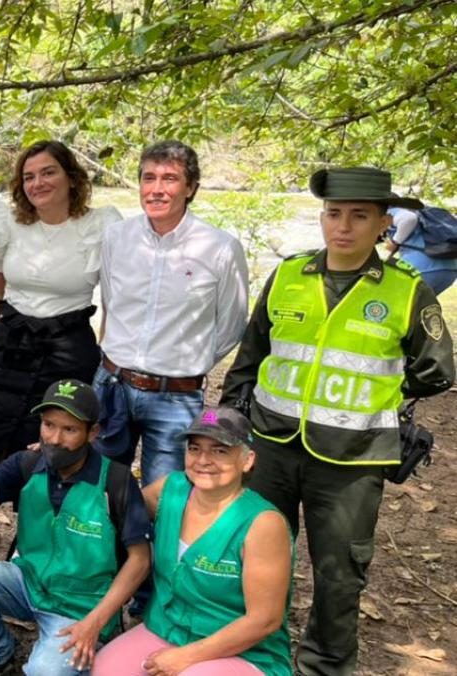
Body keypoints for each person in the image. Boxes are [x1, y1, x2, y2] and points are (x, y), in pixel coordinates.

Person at [220, 167, 455, 675]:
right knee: (257, 555)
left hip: (353, 457)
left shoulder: (405, 291)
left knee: (339, 572)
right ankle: (256, 655)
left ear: (382, 224)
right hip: (272, 445)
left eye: (358, 216)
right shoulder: (287, 275)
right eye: (333, 214)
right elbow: (251, 355)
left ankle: (323, 666)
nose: (342, 227)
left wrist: (383, 396)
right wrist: (230, 423)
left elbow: (436, 371)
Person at [0, 379, 151, 676]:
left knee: (44, 671)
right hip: (29, 583)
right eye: (49, 424)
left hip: (81, 606)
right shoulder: (27, 464)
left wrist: (95, 622)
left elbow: (140, 560)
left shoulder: (115, 481)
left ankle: (88, 647)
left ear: (93, 433)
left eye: (69, 429)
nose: (54, 438)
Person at [94, 407, 293, 676]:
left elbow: (264, 620)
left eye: (220, 450)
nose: (203, 460)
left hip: (244, 650)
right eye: (195, 448)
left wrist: (186, 657)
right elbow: (113, 509)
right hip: (168, 628)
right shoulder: (171, 491)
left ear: (247, 460)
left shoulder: (262, 524)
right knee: (104, 670)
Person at [95, 140, 249, 485]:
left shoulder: (220, 248)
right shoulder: (117, 237)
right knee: (98, 487)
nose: (157, 189)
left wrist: (185, 363)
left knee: (164, 497)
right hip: (111, 384)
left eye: (169, 179)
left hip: (175, 397)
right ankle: (108, 542)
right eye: (148, 178)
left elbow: (232, 325)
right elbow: (110, 301)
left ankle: (155, 542)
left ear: (190, 187)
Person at [0, 140, 121, 473]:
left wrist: (105, 362)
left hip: (66, 352)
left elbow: (112, 301)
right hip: (9, 348)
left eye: (48, 172)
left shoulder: (99, 227)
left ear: (71, 177)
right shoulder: (7, 224)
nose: (37, 183)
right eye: (29, 177)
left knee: (52, 453)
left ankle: (36, 524)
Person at [385, 206, 457, 295]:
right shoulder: (420, 213)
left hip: (420, 269)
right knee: (420, 307)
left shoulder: (391, 210)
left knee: (393, 301)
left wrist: (394, 241)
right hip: (449, 270)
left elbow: (408, 218)